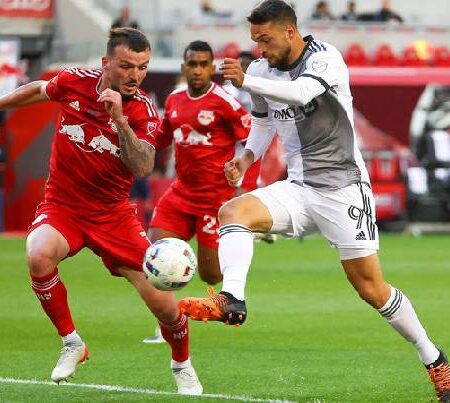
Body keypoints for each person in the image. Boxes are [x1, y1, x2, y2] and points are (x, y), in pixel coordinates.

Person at [178, 1, 450, 401]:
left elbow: (301, 91)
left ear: (290, 31)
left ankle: (436, 361)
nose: (260, 49)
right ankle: (231, 298)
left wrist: (248, 83)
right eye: (254, 41)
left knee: (372, 290)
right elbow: (263, 122)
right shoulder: (258, 70)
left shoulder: (325, 59)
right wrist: (247, 156)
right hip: (299, 187)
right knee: (233, 211)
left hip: (343, 189)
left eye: (265, 39)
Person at [0, 27, 202, 395]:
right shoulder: (74, 81)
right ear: (107, 63)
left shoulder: (142, 109)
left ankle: (182, 363)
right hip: (63, 205)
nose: (135, 75)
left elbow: (142, 167)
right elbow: (39, 91)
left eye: (143, 67)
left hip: (113, 215)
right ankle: (72, 343)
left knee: (164, 306)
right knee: (38, 254)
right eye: (127, 65)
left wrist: (119, 120)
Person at [142, 40, 251, 343]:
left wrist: (239, 166)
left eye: (204, 64)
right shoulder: (175, 99)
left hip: (213, 199)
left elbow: (254, 136)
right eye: (193, 64)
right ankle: (168, 325)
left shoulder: (225, 102)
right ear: (183, 67)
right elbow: (160, 138)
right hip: (180, 193)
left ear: (213, 68)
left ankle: (240, 240)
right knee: (155, 256)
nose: (198, 70)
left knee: (211, 276)